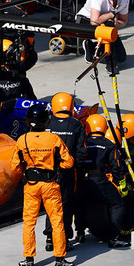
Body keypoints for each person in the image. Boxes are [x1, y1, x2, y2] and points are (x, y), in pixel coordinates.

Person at [10, 103, 74, 266]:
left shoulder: (22, 140)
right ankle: (60, 259)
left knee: (29, 222)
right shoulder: (54, 139)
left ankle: (29, 259)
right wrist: (56, 165)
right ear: (46, 121)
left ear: (28, 121)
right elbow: (69, 162)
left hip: (31, 186)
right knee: (57, 221)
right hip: (50, 185)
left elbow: (14, 167)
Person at [79, 114, 130, 248]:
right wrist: (121, 183)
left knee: (79, 203)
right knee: (118, 204)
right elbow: (116, 166)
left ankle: (80, 233)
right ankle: (114, 238)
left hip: (81, 179)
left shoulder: (82, 141)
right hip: (99, 179)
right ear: (105, 128)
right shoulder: (108, 144)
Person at [44, 93, 86, 252]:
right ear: (71, 106)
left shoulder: (47, 123)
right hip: (68, 172)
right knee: (66, 205)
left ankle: (49, 238)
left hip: (47, 171)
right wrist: (79, 169)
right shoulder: (76, 125)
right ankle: (64, 238)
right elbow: (81, 151)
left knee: (50, 205)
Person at [77, 0, 129, 71]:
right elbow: (94, 21)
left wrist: (116, 23)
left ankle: (91, 47)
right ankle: (111, 65)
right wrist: (111, 15)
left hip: (105, 23)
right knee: (109, 26)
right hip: (85, 20)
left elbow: (124, 21)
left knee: (122, 58)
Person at [0, 38, 37, 108]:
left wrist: (29, 48)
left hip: (16, 107)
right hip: (0, 108)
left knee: (25, 81)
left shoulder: (18, 68)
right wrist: (3, 54)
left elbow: (32, 59)